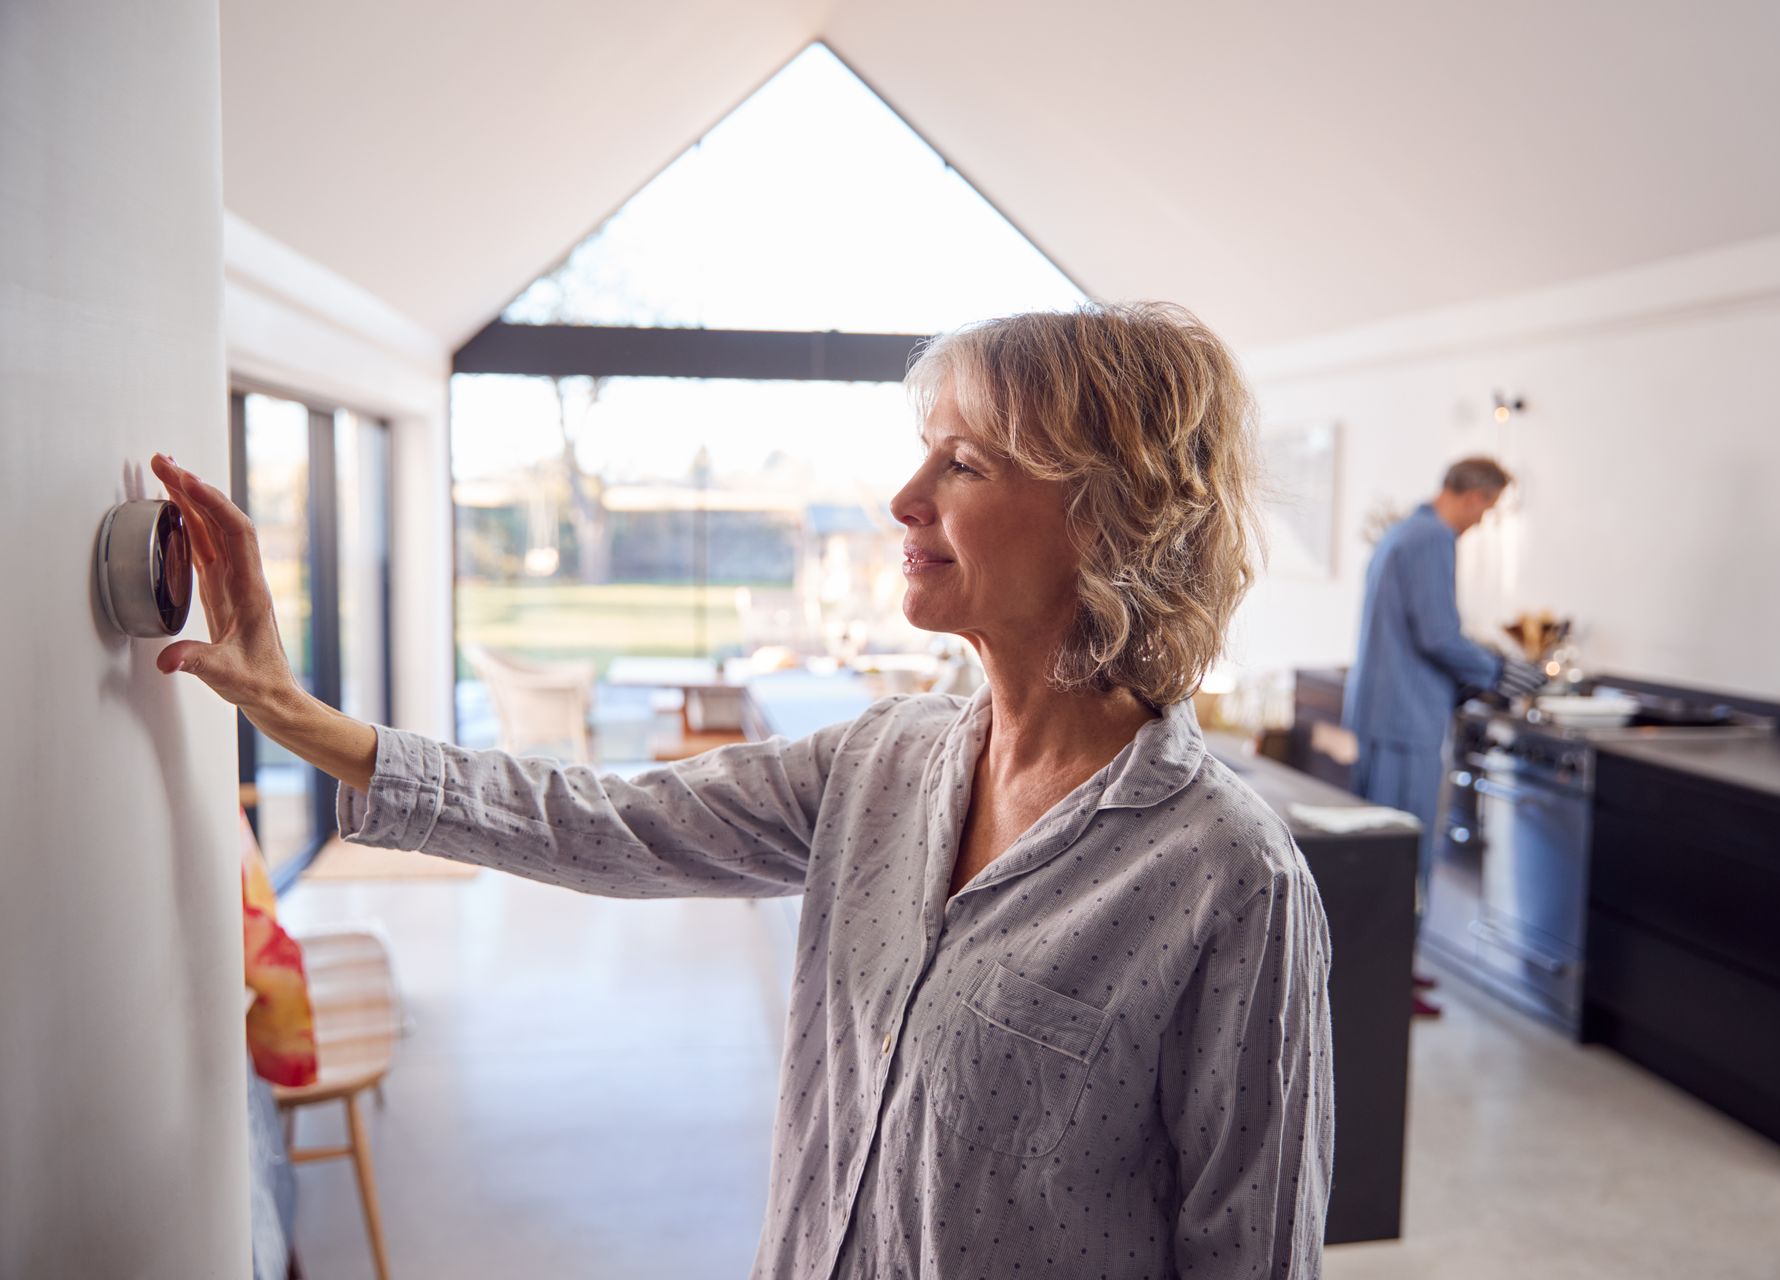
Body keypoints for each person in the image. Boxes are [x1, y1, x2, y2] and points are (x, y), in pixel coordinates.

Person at [151, 302, 1335, 1279]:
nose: (904, 496)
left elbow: (1253, 1257)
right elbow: (604, 820)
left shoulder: (1227, 879)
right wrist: (306, 722)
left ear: (1107, 518)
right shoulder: (884, 760)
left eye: (963, 462)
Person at [1341, 457, 1543, 1018]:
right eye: (1490, 509)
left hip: (1382, 714)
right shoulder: (1432, 539)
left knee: (1386, 850)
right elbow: (1437, 634)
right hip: (1405, 721)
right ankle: (1386, 984)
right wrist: (1500, 671)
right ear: (1476, 498)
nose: (1485, 522)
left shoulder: (1402, 533)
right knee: (1404, 855)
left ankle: (1389, 970)